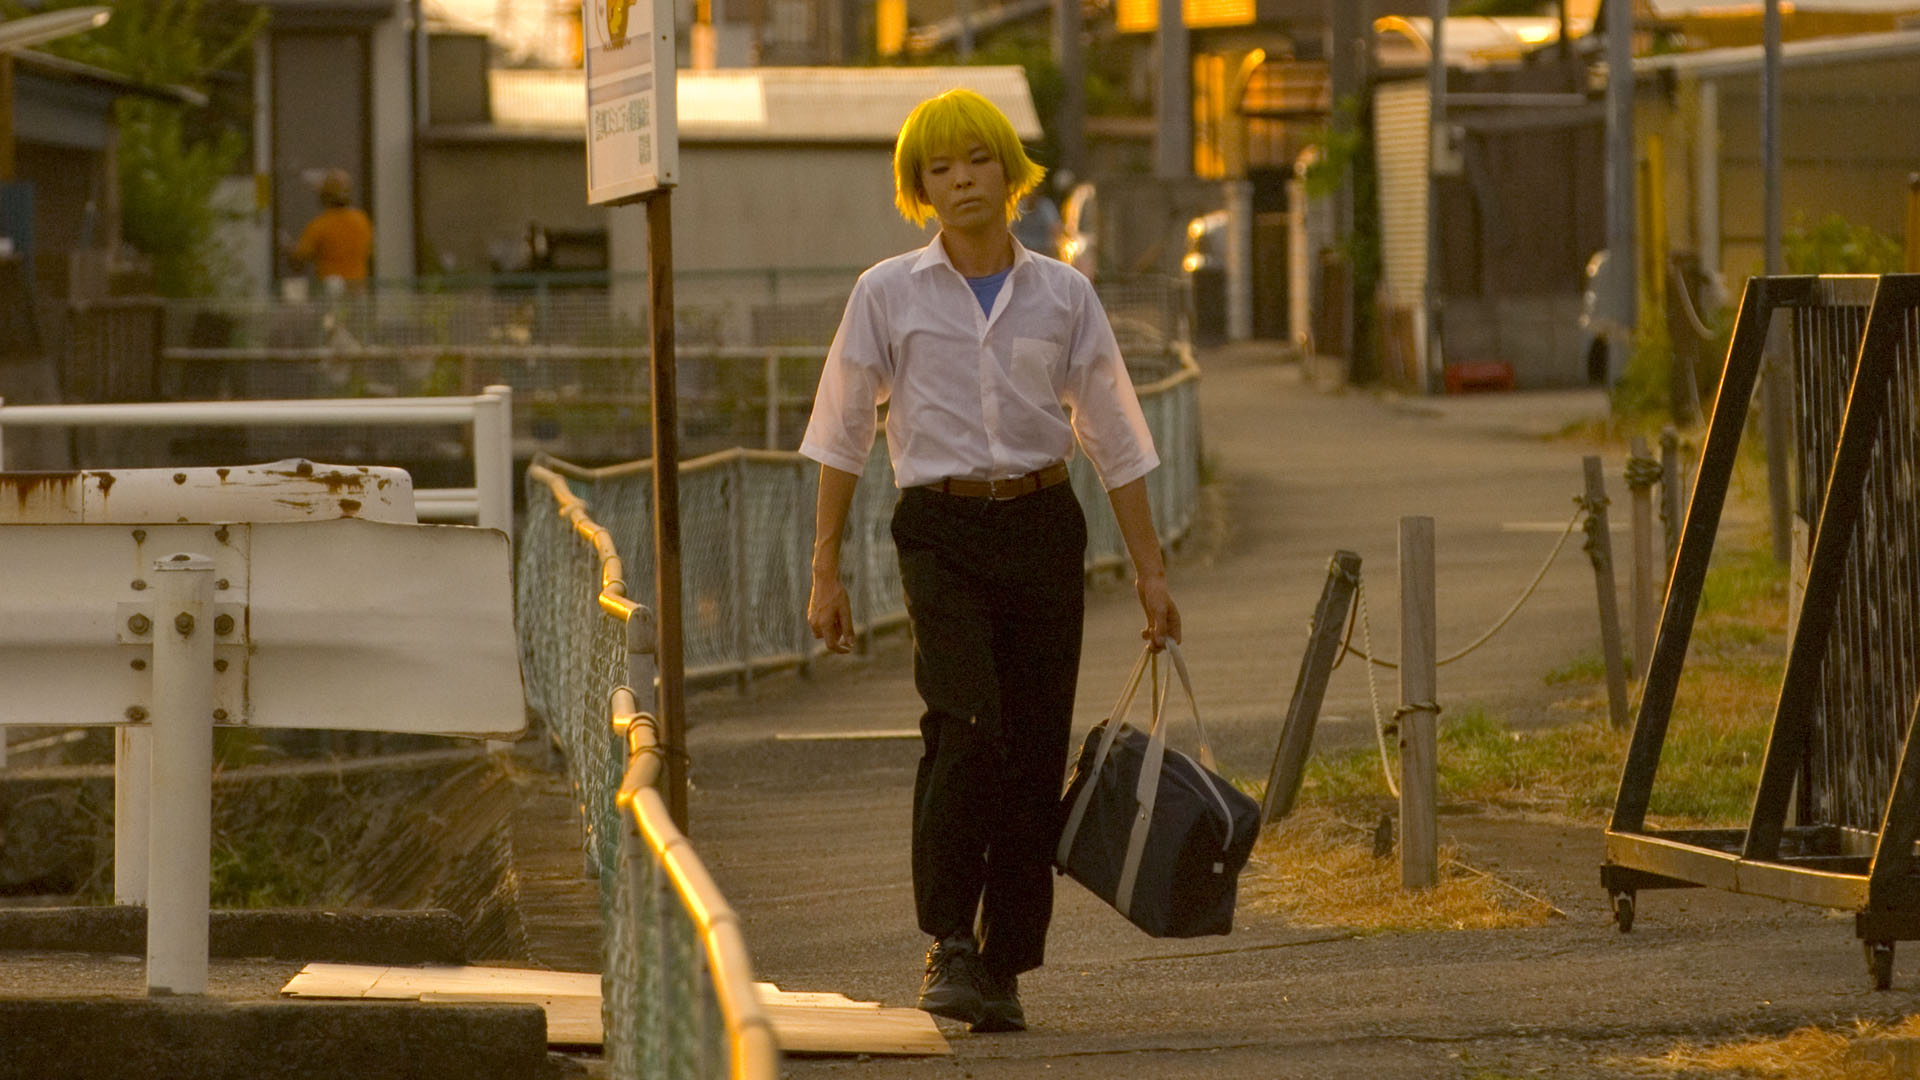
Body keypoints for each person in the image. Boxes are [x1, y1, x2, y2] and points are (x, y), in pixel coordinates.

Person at [799, 89, 1180, 1035]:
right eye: (940, 167)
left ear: (1010, 173)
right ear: (919, 188)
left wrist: (1152, 571)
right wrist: (824, 565)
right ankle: (949, 943)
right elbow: (842, 431)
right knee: (967, 722)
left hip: (1045, 526)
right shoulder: (886, 292)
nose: (962, 180)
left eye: (977, 160)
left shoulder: (1065, 294)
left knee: (1032, 746)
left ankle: (1004, 960)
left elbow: (1117, 439)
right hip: (941, 529)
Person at [289, 169, 373, 295]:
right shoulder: (363, 221)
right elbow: (370, 251)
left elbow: (300, 258)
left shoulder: (321, 225)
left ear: (324, 196)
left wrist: (290, 249)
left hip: (331, 293)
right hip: (358, 292)